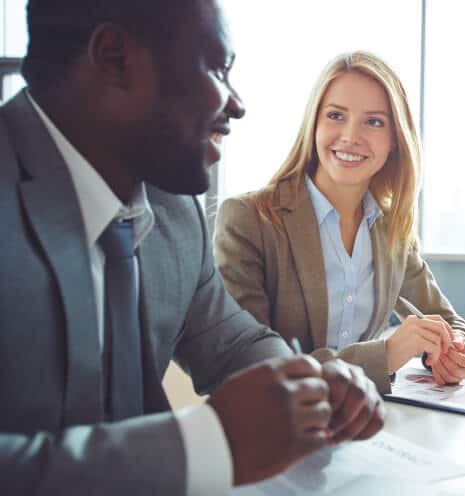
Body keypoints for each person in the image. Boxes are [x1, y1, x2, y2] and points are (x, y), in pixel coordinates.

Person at [0, 1, 384, 495]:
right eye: (218, 69)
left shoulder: (176, 211)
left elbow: (233, 341)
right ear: (115, 57)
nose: (237, 105)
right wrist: (204, 448)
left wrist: (314, 383)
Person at [214, 51, 465, 393]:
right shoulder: (249, 220)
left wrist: (455, 351)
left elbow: (451, 322)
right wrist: (384, 355)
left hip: (369, 424)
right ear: (314, 124)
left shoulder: (391, 228)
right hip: (278, 432)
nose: (351, 136)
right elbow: (251, 368)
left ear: (395, 139)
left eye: (374, 121)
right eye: (336, 115)